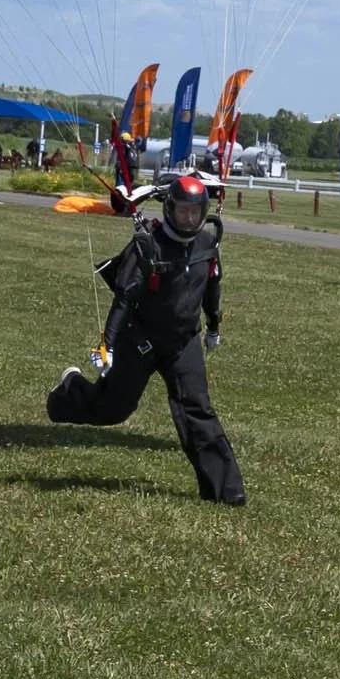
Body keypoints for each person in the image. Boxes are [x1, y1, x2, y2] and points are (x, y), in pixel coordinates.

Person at [47, 172, 245, 506]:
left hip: (183, 342)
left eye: (195, 212)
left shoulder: (207, 245)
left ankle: (225, 492)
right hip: (140, 339)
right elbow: (124, 298)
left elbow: (212, 290)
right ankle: (69, 391)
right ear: (170, 209)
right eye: (182, 211)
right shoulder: (148, 245)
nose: (189, 218)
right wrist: (106, 344)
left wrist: (213, 328)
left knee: (198, 410)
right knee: (113, 410)